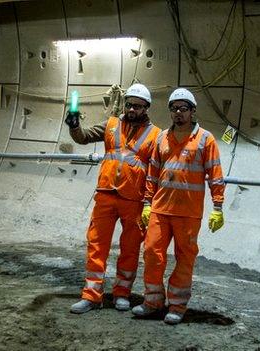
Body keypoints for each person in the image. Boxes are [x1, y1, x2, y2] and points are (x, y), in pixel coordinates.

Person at [132, 88, 225, 324]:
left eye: (183, 108)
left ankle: (177, 305)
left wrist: (218, 207)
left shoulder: (206, 139)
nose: (178, 113)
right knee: (152, 254)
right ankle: (152, 301)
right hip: (160, 211)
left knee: (185, 260)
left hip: (189, 214)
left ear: (193, 111)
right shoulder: (162, 138)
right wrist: (146, 204)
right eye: (174, 109)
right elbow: (152, 174)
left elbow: (215, 174)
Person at [66, 84, 161, 314]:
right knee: (96, 244)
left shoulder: (157, 135)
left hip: (134, 199)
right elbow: (83, 137)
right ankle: (92, 295)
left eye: (137, 106)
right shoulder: (111, 124)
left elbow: (158, 169)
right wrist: (74, 125)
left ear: (146, 108)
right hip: (106, 194)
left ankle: (122, 293)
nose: (131, 109)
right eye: (129, 104)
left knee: (130, 248)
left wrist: (151, 202)